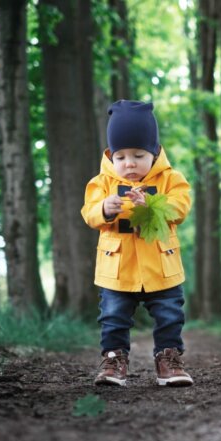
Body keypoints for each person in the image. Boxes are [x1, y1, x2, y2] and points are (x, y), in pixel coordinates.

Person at [81, 100, 193, 387]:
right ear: (111, 156)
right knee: (113, 316)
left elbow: (180, 208)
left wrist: (154, 204)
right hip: (118, 267)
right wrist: (105, 208)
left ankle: (169, 360)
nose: (129, 163)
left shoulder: (172, 179)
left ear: (154, 153)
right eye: (121, 157)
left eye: (139, 155)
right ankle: (114, 361)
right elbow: (90, 213)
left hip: (161, 263)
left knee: (170, 314)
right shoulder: (101, 182)